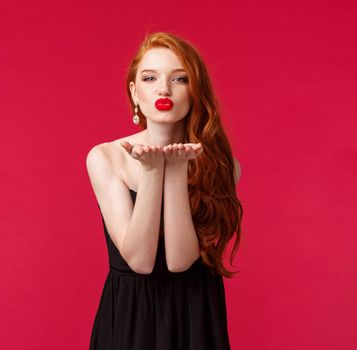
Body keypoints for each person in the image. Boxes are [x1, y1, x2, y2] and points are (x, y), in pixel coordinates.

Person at [86, 31, 243, 350]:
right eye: (149, 78)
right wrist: (153, 171)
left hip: (195, 314)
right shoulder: (105, 157)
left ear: (195, 90)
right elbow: (140, 262)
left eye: (180, 78)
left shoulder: (224, 165)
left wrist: (174, 170)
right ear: (134, 92)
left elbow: (179, 262)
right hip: (131, 315)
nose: (164, 89)